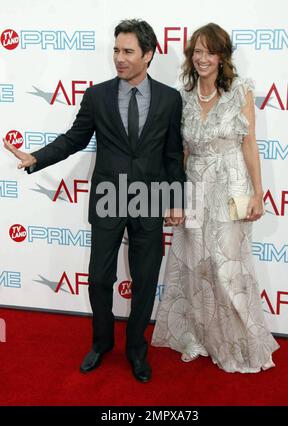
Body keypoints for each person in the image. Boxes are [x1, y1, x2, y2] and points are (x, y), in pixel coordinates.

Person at [3, 19, 185, 383]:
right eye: (116, 50)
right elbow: (74, 138)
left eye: (128, 51)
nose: (119, 58)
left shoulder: (169, 98)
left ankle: (136, 349)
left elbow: (172, 155)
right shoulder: (97, 95)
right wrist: (36, 157)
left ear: (148, 55)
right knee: (100, 277)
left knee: (146, 279)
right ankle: (102, 343)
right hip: (107, 196)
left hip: (150, 197)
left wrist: (176, 200)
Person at [152, 23, 280, 373]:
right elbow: (180, 152)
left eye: (209, 51)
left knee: (228, 265)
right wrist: (174, 197)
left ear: (222, 56)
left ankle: (236, 342)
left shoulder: (241, 91)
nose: (201, 58)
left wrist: (257, 192)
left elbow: (249, 144)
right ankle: (199, 335)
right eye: (196, 51)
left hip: (233, 184)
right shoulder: (184, 96)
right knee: (196, 264)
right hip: (194, 185)